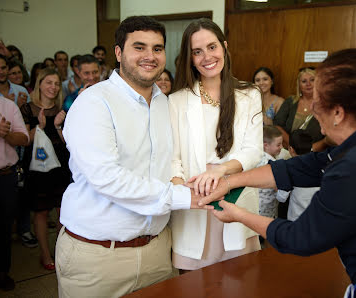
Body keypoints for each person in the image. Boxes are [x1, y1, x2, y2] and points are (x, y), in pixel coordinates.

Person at [199, 49, 356, 297]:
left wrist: (239, 214)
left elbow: (301, 238)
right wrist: (230, 181)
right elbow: (303, 167)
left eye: (316, 101)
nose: (312, 109)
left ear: (338, 113)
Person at [55, 16, 205, 297]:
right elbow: (108, 178)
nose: (150, 56)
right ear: (118, 53)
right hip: (98, 256)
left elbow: (172, 160)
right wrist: (187, 197)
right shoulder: (94, 102)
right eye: (139, 47)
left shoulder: (164, 103)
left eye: (157, 48)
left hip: (158, 251)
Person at [169, 18, 263, 272]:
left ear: (224, 47)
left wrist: (220, 172)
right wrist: (186, 192)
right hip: (195, 200)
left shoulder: (249, 94)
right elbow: (172, 158)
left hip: (236, 194)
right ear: (189, 58)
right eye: (197, 52)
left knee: (240, 281)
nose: (206, 57)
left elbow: (254, 151)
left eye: (212, 47)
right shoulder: (176, 101)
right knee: (194, 283)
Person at [19, 68, 69, 271]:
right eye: (49, 82)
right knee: (40, 212)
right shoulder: (27, 109)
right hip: (37, 167)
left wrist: (57, 126)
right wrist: (38, 127)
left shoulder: (61, 110)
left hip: (60, 166)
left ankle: (60, 251)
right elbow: (23, 140)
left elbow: (69, 142)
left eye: (56, 83)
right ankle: (45, 254)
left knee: (61, 212)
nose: (53, 87)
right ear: (39, 83)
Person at [0, 95, 29, 291]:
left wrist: (6, 134)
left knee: (3, 227)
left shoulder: (7, 106)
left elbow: (24, 138)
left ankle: (2, 272)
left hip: (4, 176)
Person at [273, 67, 326, 150]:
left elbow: (328, 137)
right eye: (304, 81)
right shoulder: (290, 101)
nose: (308, 84)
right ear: (299, 85)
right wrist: (294, 147)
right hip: (288, 150)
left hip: (314, 152)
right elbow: (277, 125)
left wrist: (309, 150)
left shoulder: (326, 104)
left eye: (312, 80)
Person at [276, 129, 319, 221]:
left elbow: (281, 198)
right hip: (316, 217)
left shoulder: (289, 168)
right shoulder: (320, 161)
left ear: (290, 149)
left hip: (296, 219)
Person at [257, 125, 283, 219]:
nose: (281, 147)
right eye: (278, 145)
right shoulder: (273, 165)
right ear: (266, 145)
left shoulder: (256, 158)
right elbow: (280, 193)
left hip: (257, 206)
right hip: (267, 210)